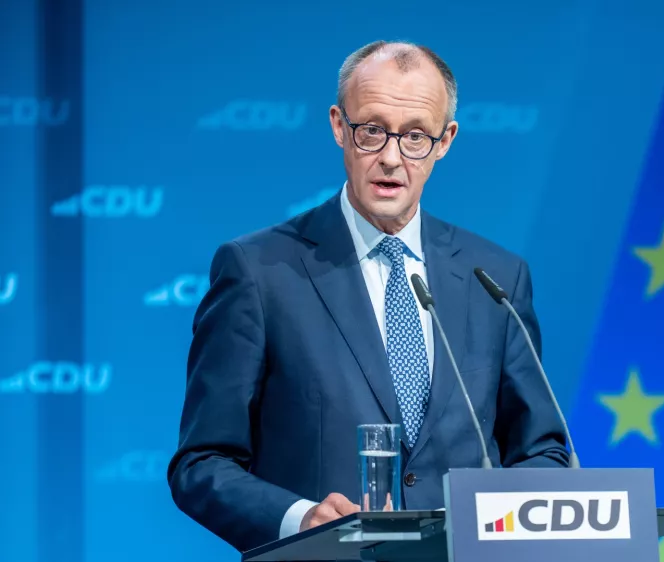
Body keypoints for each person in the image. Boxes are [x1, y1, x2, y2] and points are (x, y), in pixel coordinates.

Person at [166, 40, 570, 553]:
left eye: (416, 136)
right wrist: (299, 518)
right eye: (372, 130)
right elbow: (202, 463)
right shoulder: (258, 272)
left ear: (445, 140)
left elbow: (542, 451)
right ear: (339, 126)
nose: (391, 158)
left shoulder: (495, 277)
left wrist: (498, 517)